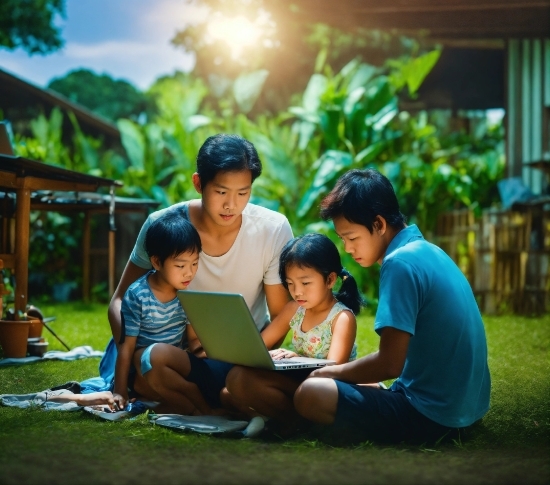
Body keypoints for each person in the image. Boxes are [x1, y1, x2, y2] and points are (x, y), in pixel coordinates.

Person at [293, 169, 491, 445]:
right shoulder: (429, 251)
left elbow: (390, 363)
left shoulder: (399, 264)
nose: (348, 249)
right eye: (342, 240)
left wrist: (329, 371)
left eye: (352, 237)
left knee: (312, 392)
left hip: (432, 417)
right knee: (347, 384)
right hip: (467, 411)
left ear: (378, 224)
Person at [106, 133, 294, 413]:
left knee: (231, 380)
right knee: (147, 364)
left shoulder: (272, 229)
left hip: (240, 359)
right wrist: (132, 344)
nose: (231, 204)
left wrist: (244, 354)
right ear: (198, 183)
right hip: (171, 355)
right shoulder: (162, 226)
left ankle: (205, 401)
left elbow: (281, 315)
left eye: (243, 193)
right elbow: (119, 300)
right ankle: (217, 402)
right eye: (221, 192)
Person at [226, 233, 363, 435]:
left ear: (330, 279)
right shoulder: (294, 310)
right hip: (298, 382)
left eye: (305, 283)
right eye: (290, 284)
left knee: (240, 384)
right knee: (233, 383)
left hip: (323, 391)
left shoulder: (341, 318)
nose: (297, 291)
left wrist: (297, 357)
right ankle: (292, 422)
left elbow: (335, 371)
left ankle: (293, 422)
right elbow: (260, 344)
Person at [112, 208, 222, 415]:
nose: (189, 272)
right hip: (147, 369)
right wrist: (119, 390)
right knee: (143, 358)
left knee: (156, 356)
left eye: (195, 263)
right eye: (180, 265)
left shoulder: (188, 295)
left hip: (175, 364)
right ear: (156, 262)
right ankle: (199, 409)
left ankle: (200, 406)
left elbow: (193, 344)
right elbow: (126, 347)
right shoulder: (138, 295)